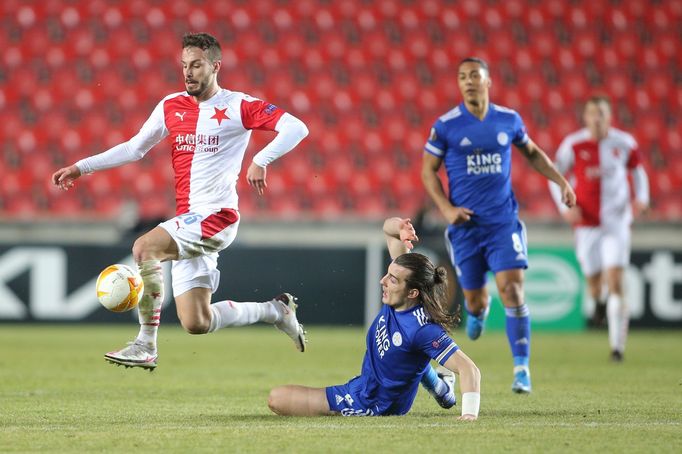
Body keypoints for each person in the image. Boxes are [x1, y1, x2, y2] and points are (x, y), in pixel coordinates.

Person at [51, 32, 309, 370]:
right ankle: (276, 311)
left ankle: (145, 344)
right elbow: (134, 147)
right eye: (184, 65)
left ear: (216, 66)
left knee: (145, 247)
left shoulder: (237, 105)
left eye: (196, 65)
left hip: (218, 216)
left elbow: (296, 127)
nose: (188, 72)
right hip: (189, 220)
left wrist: (262, 159)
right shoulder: (171, 105)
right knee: (197, 321)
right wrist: (81, 167)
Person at [421, 57, 576, 393]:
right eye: (462, 77)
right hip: (465, 228)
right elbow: (427, 171)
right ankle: (478, 311)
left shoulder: (508, 120)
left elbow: (532, 153)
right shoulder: (446, 125)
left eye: (474, 75)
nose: (468, 81)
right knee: (474, 301)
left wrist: (561, 181)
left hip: (503, 222)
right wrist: (446, 209)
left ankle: (522, 369)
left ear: (488, 81)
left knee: (513, 289)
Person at [268, 217, 481, 419]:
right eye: (388, 274)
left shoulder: (422, 330)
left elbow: (469, 369)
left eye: (392, 280)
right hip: (363, 385)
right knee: (410, 354)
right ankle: (442, 390)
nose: (382, 281)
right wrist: (400, 227)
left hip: (371, 403)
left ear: (412, 293)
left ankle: (442, 390)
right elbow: (389, 231)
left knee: (276, 399)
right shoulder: (400, 299)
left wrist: (469, 414)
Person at [549, 96, 649, 362]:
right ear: (585, 117)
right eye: (593, 114)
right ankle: (600, 301)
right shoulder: (573, 144)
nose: (597, 119)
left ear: (609, 117)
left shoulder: (624, 143)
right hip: (587, 224)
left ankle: (617, 348)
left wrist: (642, 198)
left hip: (617, 222)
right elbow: (555, 176)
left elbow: (639, 172)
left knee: (616, 280)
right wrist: (564, 208)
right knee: (594, 285)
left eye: (602, 113)